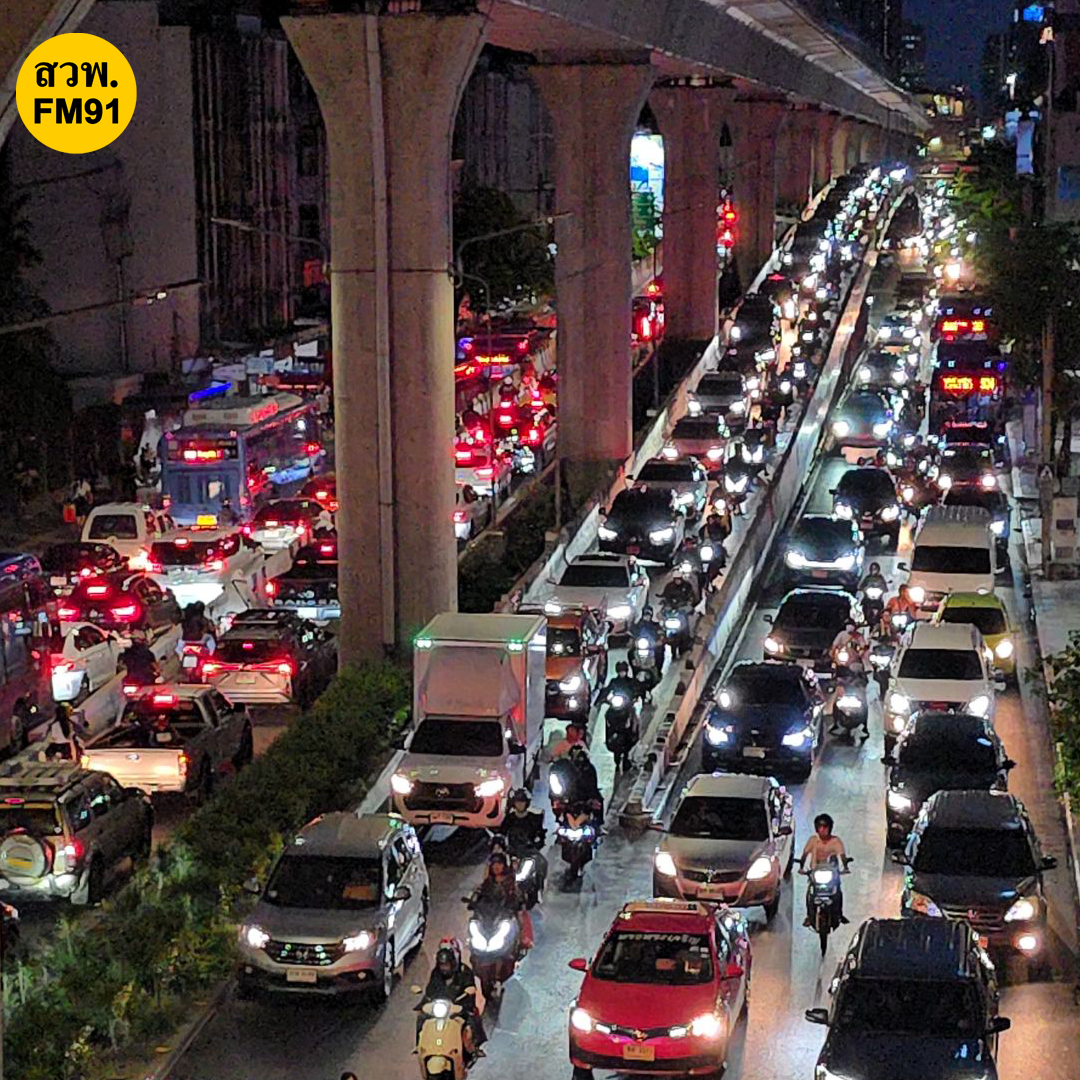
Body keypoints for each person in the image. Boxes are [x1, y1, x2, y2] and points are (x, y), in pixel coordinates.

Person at [418, 939, 485, 1056]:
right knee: (421, 1018)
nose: (444, 968)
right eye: (442, 965)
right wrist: (426, 1002)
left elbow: (470, 991)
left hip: (459, 1007)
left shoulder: (465, 972)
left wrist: (463, 1005)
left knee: (471, 1022)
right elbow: (431, 989)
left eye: (446, 965)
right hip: (441, 1008)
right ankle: (419, 1045)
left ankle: (473, 1049)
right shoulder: (436, 973)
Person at [472, 850, 532, 950]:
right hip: (490, 914)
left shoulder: (511, 880)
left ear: (504, 865)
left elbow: (518, 896)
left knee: (520, 917)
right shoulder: (488, 882)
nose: (496, 866)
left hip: (506, 913)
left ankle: (522, 939)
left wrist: (517, 901)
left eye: (499, 863)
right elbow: (480, 895)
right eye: (494, 864)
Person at [800, 813, 849, 926]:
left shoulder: (836, 841)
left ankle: (839, 914)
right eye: (820, 827)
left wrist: (845, 867)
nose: (822, 829)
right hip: (815, 871)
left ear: (829, 828)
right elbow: (805, 854)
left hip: (832, 872)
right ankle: (809, 916)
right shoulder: (813, 840)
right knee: (810, 894)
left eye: (825, 827)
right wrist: (801, 867)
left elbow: (842, 855)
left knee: (838, 893)